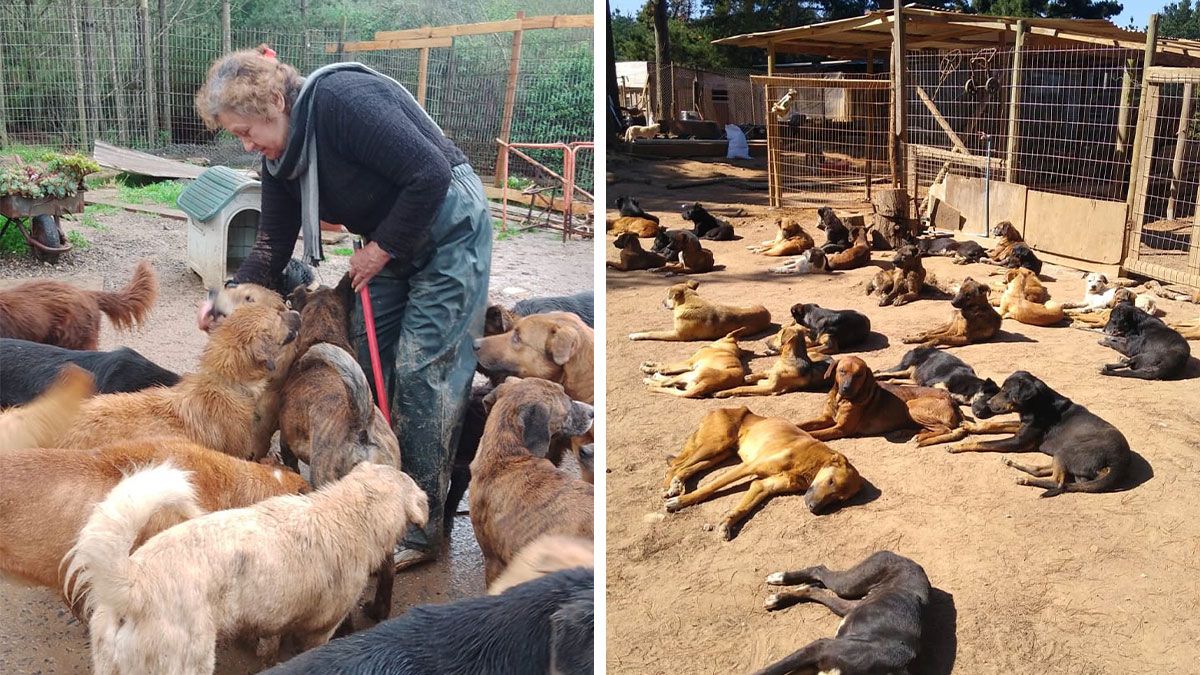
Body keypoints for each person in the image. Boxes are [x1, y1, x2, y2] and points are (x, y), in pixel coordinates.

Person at [195, 45, 492, 569]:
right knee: (359, 361)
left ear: (274, 100)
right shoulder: (280, 159)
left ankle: (419, 527)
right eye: (236, 136)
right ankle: (375, 495)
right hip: (389, 237)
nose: (246, 145)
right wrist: (225, 300)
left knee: (423, 369)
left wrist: (380, 249)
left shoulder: (340, 102)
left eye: (246, 131)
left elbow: (428, 173)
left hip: (448, 223)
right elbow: (271, 245)